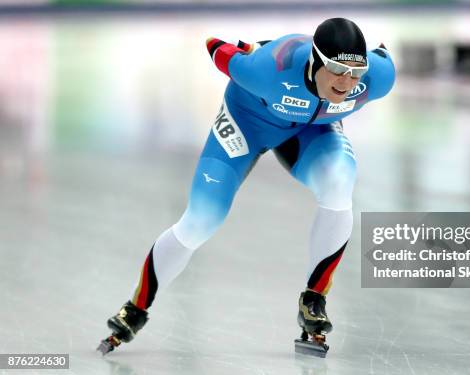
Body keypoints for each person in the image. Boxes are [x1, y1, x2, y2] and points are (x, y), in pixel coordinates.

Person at [98, 17, 395, 357]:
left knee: (340, 180)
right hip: (248, 121)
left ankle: (314, 299)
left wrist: (364, 66)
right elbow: (214, 45)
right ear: (314, 60)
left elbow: (383, 56)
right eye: (338, 70)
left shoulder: (376, 79)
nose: (346, 82)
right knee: (202, 219)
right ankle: (135, 308)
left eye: (355, 72)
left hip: (312, 131)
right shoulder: (265, 71)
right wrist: (256, 49)